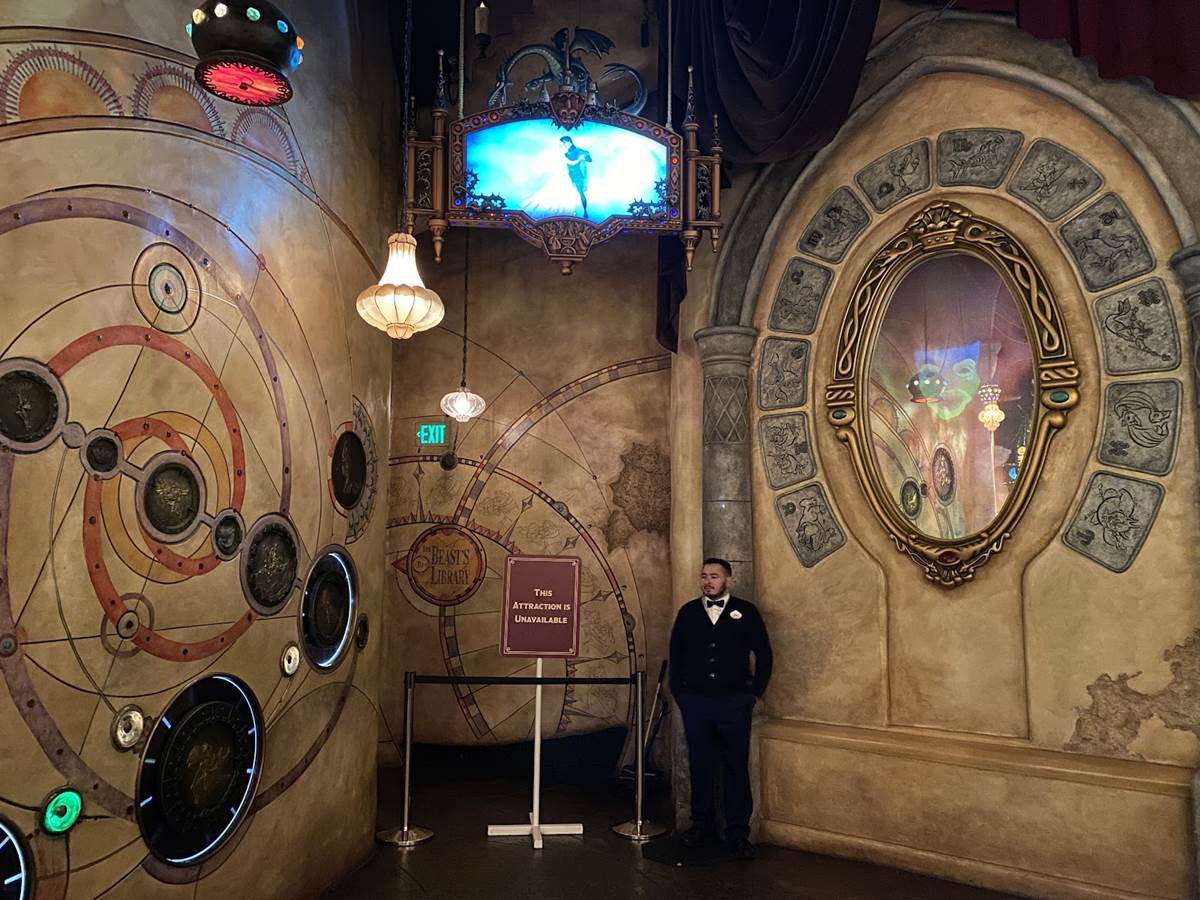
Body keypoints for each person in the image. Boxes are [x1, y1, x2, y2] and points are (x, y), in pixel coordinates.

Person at [669, 557, 772, 860]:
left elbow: (764, 653)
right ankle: (702, 826)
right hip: (697, 703)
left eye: (714, 576)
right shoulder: (688, 612)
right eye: (704, 576)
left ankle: (738, 833)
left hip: (733, 703)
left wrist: (753, 693)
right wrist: (681, 694)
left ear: (728, 580)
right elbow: (676, 654)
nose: (708, 581)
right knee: (699, 764)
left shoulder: (746, 612)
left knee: (735, 767)